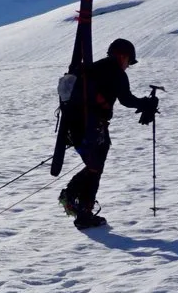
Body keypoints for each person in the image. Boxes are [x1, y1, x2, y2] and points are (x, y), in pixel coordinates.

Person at [58, 37, 158, 230]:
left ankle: (81, 208)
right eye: (129, 61)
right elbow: (126, 99)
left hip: (77, 125)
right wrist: (146, 103)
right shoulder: (116, 72)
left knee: (94, 165)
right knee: (95, 166)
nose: (128, 66)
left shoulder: (95, 67)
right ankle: (74, 200)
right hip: (93, 126)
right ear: (122, 56)